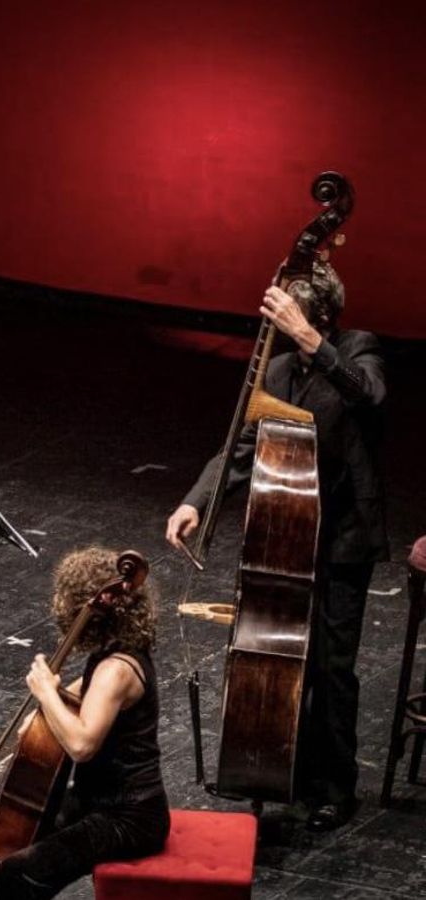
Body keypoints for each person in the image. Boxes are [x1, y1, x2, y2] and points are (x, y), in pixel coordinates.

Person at [165, 262, 386, 831]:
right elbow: (241, 446)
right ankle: (290, 771)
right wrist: (197, 502)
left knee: (332, 668)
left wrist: (312, 338)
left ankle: (336, 789)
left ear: (322, 316)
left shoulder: (358, 349)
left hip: (344, 538)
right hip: (287, 533)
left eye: (292, 316)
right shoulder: (279, 368)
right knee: (289, 660)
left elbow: (370, 396)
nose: (282, 327)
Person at [0, 546, 169, 899]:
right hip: (96, 801)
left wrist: (45, 693)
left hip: (129, 817)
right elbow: (82, 689)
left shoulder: (116, 671)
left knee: (20, 870)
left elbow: (82, 746)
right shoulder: (113, 652)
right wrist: (43, 712)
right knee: (15, 838)